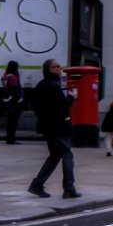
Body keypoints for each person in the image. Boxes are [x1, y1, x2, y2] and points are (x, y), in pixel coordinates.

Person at [27, 60, 79, 198]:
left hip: (48, 126)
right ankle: (69, 189)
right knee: (67, 155)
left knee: (55, 156)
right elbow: (63, 106)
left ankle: (37, 185)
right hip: (58, 127)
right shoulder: (53, 86)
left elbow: (36, 106)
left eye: (58, 66)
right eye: (55, 67)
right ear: (49, 70)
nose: (59, 68)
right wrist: (71, 96)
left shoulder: (41, 85)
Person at [0, 60, 24, 143]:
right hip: (13, 102)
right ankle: (11, 139)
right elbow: (14, 89)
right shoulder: (13, 77)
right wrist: (20, 99)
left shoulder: (6, 75)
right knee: (13, 122)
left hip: (7, 100)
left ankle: (9, 138)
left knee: (10, 122)